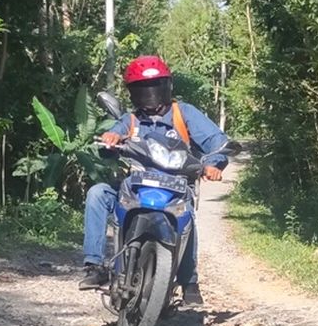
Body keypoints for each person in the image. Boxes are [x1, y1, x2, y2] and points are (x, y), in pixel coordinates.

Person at [79, 55, 229, 305]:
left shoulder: (184, 113)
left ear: (166, 86)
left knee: (186, 216)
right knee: (97, 193)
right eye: (142, 90)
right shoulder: (132, 119)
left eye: (154, 87)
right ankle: (95, 266)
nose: (149, 95)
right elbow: (113, 136)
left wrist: (213, 164)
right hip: (137, 185)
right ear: (132, 93)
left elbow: (216, 141)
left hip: (176, 186)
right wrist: (110, 138)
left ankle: (189, 281)